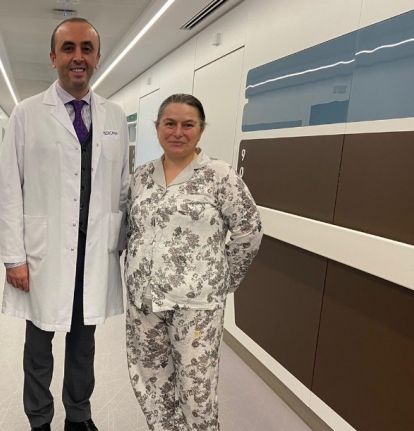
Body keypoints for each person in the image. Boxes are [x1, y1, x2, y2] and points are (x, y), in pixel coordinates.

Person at [0, 17, 129, 431]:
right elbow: (9, 188)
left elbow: (122, 188)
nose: (78, 57)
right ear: (53, 56)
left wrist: (121, 244)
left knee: (83, 345)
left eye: (86, 49)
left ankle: (78, 415)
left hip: (93, 252)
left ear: (97, 57)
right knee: (39, 346)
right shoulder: (26, 113)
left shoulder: (114, 116)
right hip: (44, 253)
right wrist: (14, 257)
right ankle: (39, 420)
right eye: (68, 48)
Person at [124, 94, 262, 430]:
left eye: (188, 125)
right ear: (157, 127)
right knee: (152, 385)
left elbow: (249, 232)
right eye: (169, 123)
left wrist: (222, 280)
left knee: (196, 392)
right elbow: (132, 228)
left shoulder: (219, 176)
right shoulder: (141, 176)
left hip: (196, 307)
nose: (178, 132)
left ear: (201, 130)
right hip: (145, 302)